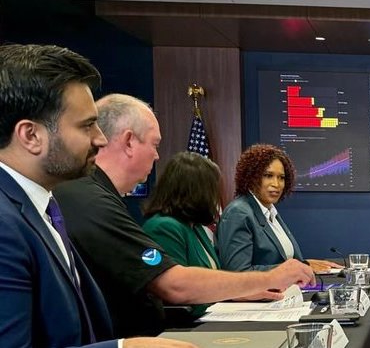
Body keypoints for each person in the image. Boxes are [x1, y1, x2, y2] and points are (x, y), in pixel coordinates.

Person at [54, 94, 314, 337]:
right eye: (155, 144)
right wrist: (270, 278)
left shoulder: (96, 196)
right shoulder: (93, 201)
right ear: (129, 141)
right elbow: (172, 283)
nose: (157, 156)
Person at [0, 44, 195, 347]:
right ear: (31, 135)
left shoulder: (44, 206)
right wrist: (123, 347)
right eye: (87, 125)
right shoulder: (5, 225)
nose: (100, 139)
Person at [217, 144, 342, 273]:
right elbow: (237, 272)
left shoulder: (269, 211)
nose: (276, 184)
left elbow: (283, 261)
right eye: (268, 175)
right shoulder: (238, 212)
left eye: (281, 178)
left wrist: (305, 264)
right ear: (252, 177)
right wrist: (295, 269)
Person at [142, 152, 222, 318]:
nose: (215, 197)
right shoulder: (164, 227)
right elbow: (178, 296)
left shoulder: (195, 226)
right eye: (212, 189)